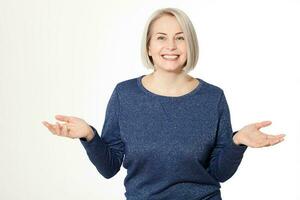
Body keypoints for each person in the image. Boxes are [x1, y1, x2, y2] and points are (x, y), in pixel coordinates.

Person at [42, 7, 286, 200]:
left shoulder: (213, 98)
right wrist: (89, 136)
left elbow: (219, 173)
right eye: (161, 38)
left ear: (190, 45)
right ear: (149, 46)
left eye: (180, 38)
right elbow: (109, 168)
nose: (171, 46)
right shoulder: (124, 95)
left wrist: (237, 142)